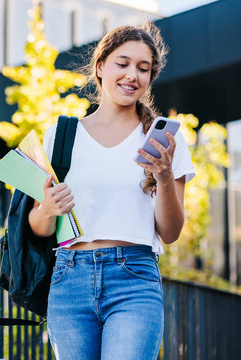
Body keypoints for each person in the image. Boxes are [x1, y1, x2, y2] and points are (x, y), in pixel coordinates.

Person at [28, 23, 195, 359]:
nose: (132, 75)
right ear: (101, 67)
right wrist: (47, 208)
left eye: (143, 68)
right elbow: (38, 226)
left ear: (150, 77)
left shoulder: (165, 143)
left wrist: (163, 176)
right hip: (69, 277)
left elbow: (171, 232)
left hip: (134, 279)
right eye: (123, 63)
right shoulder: (60, 136)